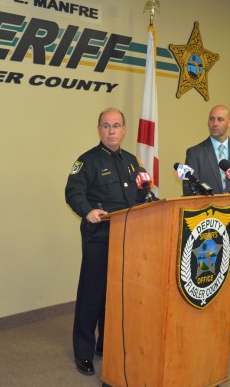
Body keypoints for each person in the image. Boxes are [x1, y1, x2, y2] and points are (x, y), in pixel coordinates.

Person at [65, 108, 155, 376]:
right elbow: (73, 192)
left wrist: (150, 203)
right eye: (106, 126)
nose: (111, 131)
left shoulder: (131, 161)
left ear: (124, 129)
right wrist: (88, 210)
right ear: (99, 130)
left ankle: (107, 343)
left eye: (116, 126)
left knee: (117, 295)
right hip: (100, 237)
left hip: (129, 236)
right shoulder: (87, 161)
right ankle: (83, 352)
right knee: (92, 295)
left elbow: (143, 191)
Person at [182, 105, 230, 341]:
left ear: (229, 123)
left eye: (220, 119)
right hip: (207, 228)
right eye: (212, 119)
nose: (215, 123)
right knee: (206, 277)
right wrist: (214, 214)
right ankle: (206, 321)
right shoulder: (195, 152)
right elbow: (189, 189)